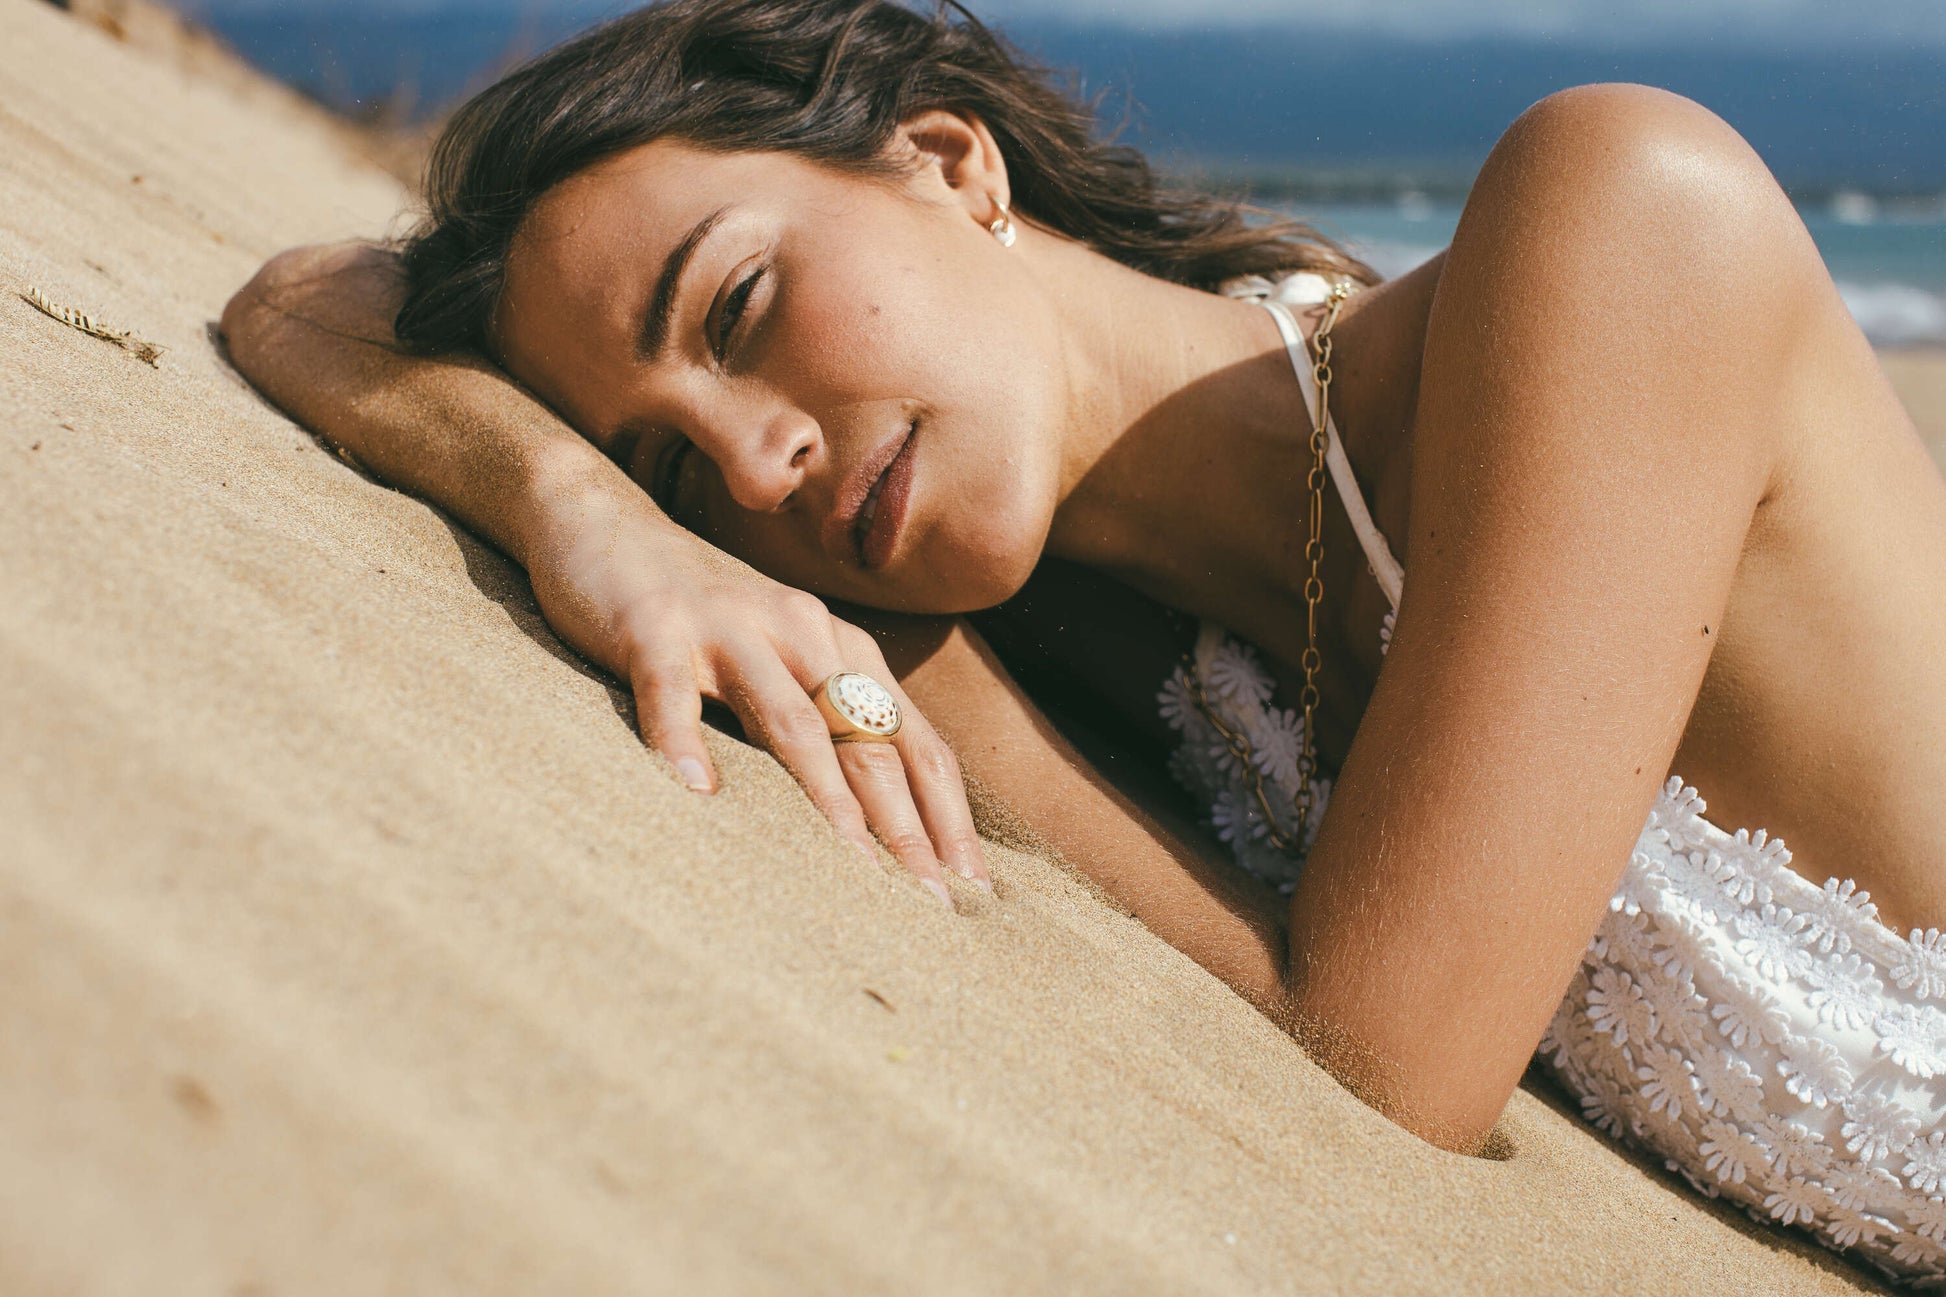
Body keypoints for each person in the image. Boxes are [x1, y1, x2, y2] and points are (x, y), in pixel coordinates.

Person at [220, 0, 1946, 1280]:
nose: (755, 463)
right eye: (680, 462)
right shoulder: (1121, 623)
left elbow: (1388, 1061)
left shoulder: (1616, 217)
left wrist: (909, 677)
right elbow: (309, 293)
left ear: (947, 160)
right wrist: (584, 518)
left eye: (738, 306)